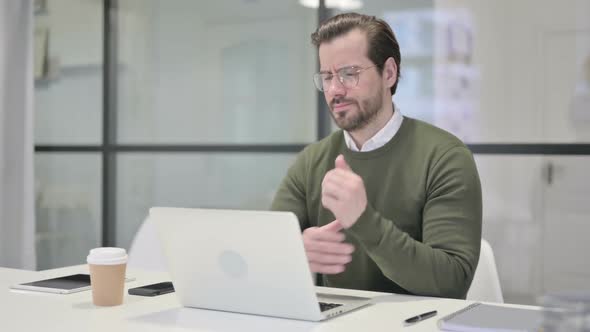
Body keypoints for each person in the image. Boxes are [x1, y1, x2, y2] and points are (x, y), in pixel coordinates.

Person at [270, 13, 482, 299]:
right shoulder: (312, 161)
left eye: (349, 74)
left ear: (389, 73)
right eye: (327, 77)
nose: (335, 90)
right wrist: (293, 251)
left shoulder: (445, 157)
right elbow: (265, 250)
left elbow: (452, 281)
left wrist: (363, 219)